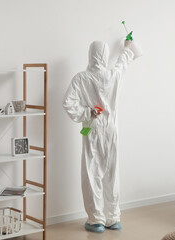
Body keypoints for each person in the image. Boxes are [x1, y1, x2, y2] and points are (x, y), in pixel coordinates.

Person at [63, 40, 134, 233]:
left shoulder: (81, 78)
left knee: (92, 172)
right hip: (111, 130)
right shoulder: (113, 75)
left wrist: (87, 113)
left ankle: (96, 221)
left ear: (90, 54)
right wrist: (127, 48)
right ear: (104, 55)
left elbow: (67, 103)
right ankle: (113, 218)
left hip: (91, 128)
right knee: (112, 173)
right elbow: (122, 63)